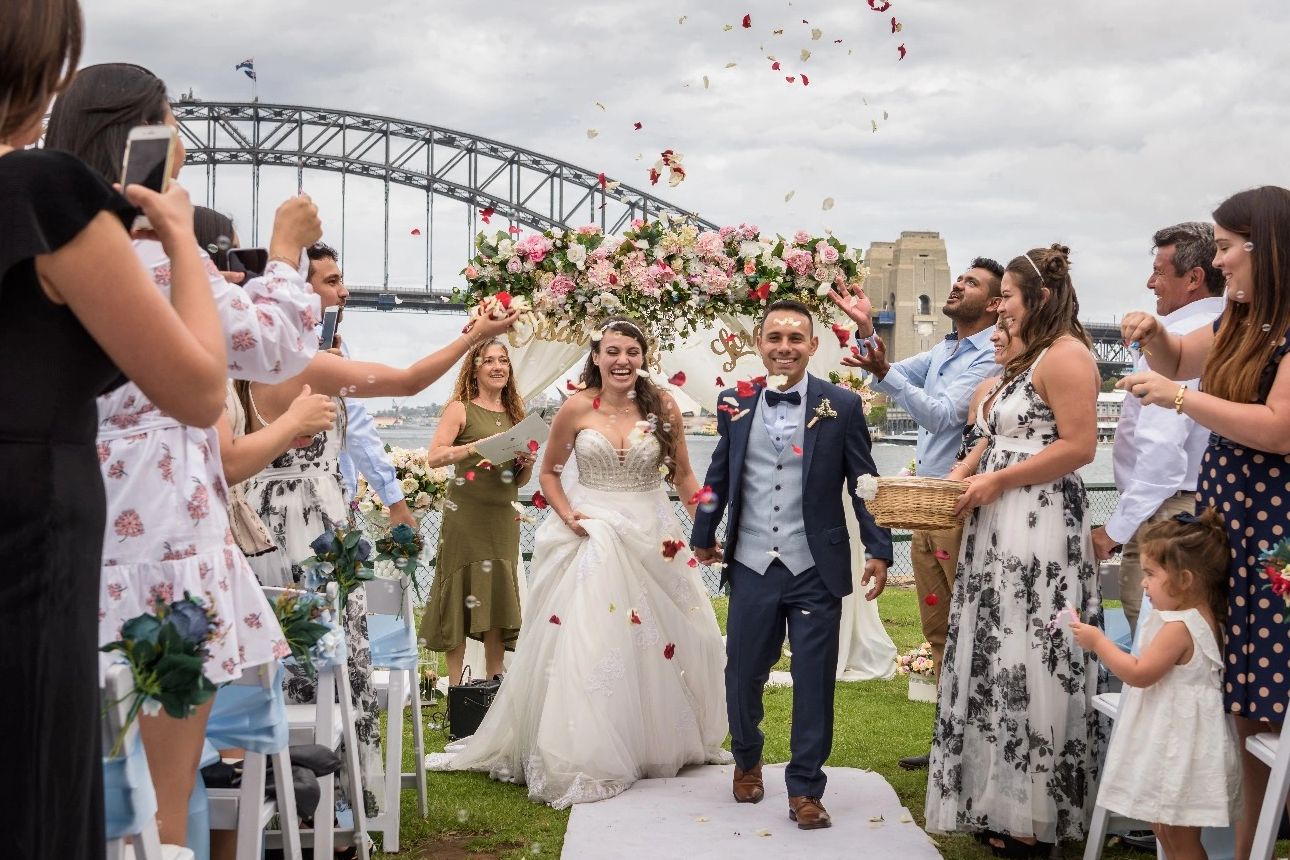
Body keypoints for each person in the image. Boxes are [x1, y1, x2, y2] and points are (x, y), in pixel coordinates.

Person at [44, 61, 324, 846]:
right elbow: (267, 346)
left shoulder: (54, 249)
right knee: (165, 805)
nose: (189, 147)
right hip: (167, 533)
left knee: (80, 777)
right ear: (135, 137)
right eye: (173, 125)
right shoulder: (161, 259)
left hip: (78, 520)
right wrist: (285, 254)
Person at [1, 1, 227, 854]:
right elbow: (201, 389)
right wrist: (179, 240)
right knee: (31, 786)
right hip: (28, 533)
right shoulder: (44, 193)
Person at [240, 250, 517, 819]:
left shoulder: (244, 363)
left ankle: (273, 798)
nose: (344, 292)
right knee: (329, 660)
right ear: (295, 295)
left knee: (275, 659)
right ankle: (336, 800)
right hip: (313, 530)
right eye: (332, 282)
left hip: (261, 522)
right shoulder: (309, 364)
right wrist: (475, 337)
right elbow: (411, 382)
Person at [431, 318, 730, 808]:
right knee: (591, 635)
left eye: (632, 352)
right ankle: (585, 746)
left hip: (651, 529)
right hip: (589, 526)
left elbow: (683, 475)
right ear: (596, 356)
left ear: (643, 357)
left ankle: (657, 737)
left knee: (679, 635)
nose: (622, 361)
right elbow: (548, 474)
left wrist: (705, 527)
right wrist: (569, 515)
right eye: (612, 351)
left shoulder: (664, 405)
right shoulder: (575, 408)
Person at [1119, 185, 1290, 860]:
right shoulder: (1241, 322)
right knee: (1240, 695)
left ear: (1264, 248)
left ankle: (1253, 843)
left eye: (1224, 249)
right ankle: (1241, 844)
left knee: (1264, 693)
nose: (1217, 264)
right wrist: (1155, 334)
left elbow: (1280, 431)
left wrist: (1183, 404)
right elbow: (1178, 361)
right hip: (1230, 527)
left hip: (1273, 535)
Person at [927, 245, 1103, 856]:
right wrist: (962, 479)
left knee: (1033, 651)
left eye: (1006, 296)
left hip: (1041, 524)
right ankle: (994, 797)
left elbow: (1080, 447)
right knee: (996, 649)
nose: (998, 305)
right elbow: (993, 438)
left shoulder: (1069, 355)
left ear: (1041, 298)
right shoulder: (1020, 361)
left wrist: (999, 480)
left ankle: (1034, 815)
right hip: (996, 522)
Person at [691, 299, 893, 830]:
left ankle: (805, 787)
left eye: (795, 338)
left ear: (812, 345)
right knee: (743, 674)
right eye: (774, 337)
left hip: (815, 567)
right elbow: (717, 476)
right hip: (753, 561)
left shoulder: (842, 405)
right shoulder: (734, 401)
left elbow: (864, 483)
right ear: (759, 343)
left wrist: (877, 549)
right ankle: (747, 759)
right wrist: (702, 534)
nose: (785, 347)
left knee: (814, 681)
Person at [831, 257, 1005, 771]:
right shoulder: (945, 349)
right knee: (937, 627)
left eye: (970, 283)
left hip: (959, 506)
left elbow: (942, 412)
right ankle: (949, 742)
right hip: (929, 506)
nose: (956, 286)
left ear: (994, 304)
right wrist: (866, 329)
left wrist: (885, 371)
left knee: (970, 626)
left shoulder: (988, 357)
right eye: (959, 278)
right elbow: (881, 373)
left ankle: (979, 746)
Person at [1072, 509, 1240, 860]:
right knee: (1166, 830)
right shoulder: (1201, 615)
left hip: (1178, 746)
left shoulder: (1179, 628)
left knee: (1178, 837)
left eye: (1151, 574)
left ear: (1184, 580)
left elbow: (1139, 673)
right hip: (1183, 741)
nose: (1144, 583)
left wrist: (1098, 642)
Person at [1092, 223, 1226, 636]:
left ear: (1193, 279)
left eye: (1159, 272)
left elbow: (1162, 455)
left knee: (1157, 644)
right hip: (1210, 505)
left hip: (1169, 515)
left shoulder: (1177, 339)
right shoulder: (1228, 332)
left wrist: (1114, 531)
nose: (1150, 282)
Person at [419, 338, 535, 684]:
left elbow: (520, 479)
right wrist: (474, 446)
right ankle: (457, 684)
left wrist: (526, 461)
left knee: (498, 592)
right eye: (489, 361)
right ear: (475, 368)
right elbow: (435, 456)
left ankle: (493, 678)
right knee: (459, 591)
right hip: (466, 515)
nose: (498, 366)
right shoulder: (460, 409)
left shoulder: (517, 415)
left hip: (502, 514)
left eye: (503, 361)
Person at [310, 245, 419, 531]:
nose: (345, 292)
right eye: (332, 282)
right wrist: (395, 501)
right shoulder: (314, 349)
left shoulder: (329, 342)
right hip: (316, 506)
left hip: (331, 497)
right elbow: (353, 422)